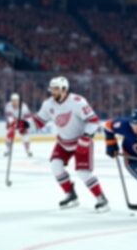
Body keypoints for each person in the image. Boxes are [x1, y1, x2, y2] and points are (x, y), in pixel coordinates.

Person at [31, 76, 109, 212]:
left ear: (64, 89)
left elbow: (94, 121)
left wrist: (86, 136)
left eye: (56, 89)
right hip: (63, 142)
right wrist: (25, 124)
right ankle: (70, 195)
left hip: (81, 142)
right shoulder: (48, 104)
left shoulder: (78, 102)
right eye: (52, 89)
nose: (53, 91)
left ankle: (101, 199)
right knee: (56, 166)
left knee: (83, 173)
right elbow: (39, 121)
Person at [4, 93, 33, 157]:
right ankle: (8, 150)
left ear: (19, 100)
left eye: (16, 100)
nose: (14, 102)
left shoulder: (24, 106)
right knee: (9, 137)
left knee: (26, 138)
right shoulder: (8, 106)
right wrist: (13, 123)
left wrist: (26, 123)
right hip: (12, 122)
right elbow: (9, 117)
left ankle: (28, 151)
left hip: (21, 122)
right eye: (13, 100)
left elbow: (28, 117)